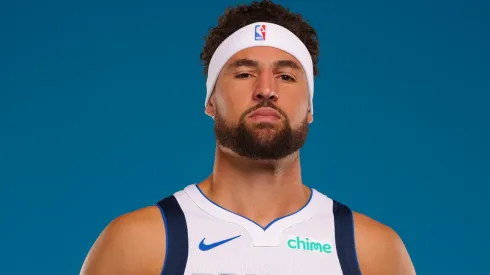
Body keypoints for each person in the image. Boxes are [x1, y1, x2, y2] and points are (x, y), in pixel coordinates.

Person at [80, 1, 416, 274]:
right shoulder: (141, 244)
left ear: (310, 107)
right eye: (244, 73)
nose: (266, 90)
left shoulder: (371, 252)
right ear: (211, 100)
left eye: (285, 75)